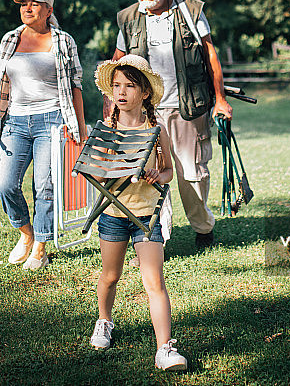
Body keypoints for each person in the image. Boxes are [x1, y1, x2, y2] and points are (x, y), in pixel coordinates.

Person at [107, 0, 233, 250]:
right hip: (146, 111)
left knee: (192, 173)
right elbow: (117, 62)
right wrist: (113, 102)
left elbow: (210, 55)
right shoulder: (128, 18)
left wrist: (220, 100)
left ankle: (203, 227)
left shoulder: (190, 10)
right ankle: (157, 236)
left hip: (187, 108)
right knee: (152, 173)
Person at [88, 55, 187, 371]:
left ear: (144, 93)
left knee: (154, 281)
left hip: (147, 216)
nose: (121, 91)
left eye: (129, 86)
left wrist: (158, 175)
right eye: (117, 85)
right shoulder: (107, 130)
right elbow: (96, 172)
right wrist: (115, 167)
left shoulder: (156, 131)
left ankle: (164, 349)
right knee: (110, 276)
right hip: (114, 215)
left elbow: (169, 172)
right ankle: (104, 320)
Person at [0, 0, 87, 271]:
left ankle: (40, 246)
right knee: (4, 183)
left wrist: (80, 129)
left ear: (48, 10)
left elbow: (75, 86)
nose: (27, 8)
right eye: (23, 3)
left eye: (34, 3)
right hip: (15, 122)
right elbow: (1, 86)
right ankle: (26, 233)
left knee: (45, 185)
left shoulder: (63, 41)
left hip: (52, 121)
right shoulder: (10, 39)